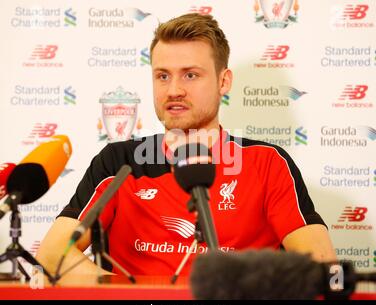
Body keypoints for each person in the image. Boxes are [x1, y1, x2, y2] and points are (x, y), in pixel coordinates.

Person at [36, 13, 336, 279]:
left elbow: (321, 263)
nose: (174, 90)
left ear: (224, 81)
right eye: (162, 76)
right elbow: (52, 256)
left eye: (191, 75)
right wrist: (135, 294)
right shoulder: (118, 161)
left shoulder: (267, 162)